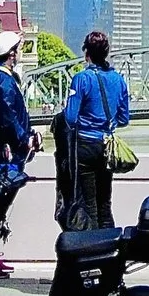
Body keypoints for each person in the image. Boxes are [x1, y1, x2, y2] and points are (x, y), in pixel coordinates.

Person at [62, 29, 132, 233]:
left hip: (85, 145)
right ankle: (110, 246)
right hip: (107, 147)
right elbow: (124, 119)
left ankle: (92, 247)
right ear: (106, 53)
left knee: (89, 205)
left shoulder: (81, 79)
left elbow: (70, 118)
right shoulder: (118, 80)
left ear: (86, 53)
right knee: (105, 203)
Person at [0, 31, 36, 276]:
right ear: (11, 53)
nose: (20, 52)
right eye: (18, 49)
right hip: (5, 153)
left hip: (2, 150)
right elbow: (7, 117)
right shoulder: (2, 81)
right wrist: (24, 139)